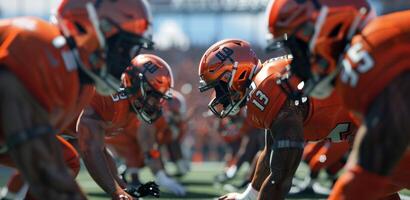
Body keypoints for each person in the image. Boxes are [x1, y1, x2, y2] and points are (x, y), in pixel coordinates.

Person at [0, 0, 153, 199]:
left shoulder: (82, 84)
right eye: (122, 47)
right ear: (83, 27)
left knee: (65, 159)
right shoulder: (41, 47)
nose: (125, 61)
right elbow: (36, 154)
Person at [266, 0, 410, 199]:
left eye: (299, 43)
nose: (296, 60)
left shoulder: (368, 53)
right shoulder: (365, 56)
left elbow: (370, 165)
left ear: (332, 23)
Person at [198, 39, 357, 199]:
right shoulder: (265, 81)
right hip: (359, 119)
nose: (221, 96)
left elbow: (281, 177)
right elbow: (270, 152)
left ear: (238, 73)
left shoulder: (267, 88)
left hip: (370, 115)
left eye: (220, 87)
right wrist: (248, 197)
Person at [77, 54, 179, 199]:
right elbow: (90, 148)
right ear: (134, 83)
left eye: (160, 97)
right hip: (47, 132)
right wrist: (117, 192)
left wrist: (124, 188)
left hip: (59, 136)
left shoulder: (130, 108)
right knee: (69, 165)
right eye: (153, 95)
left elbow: (100, 148)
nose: (157, 103)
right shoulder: (109, 98)